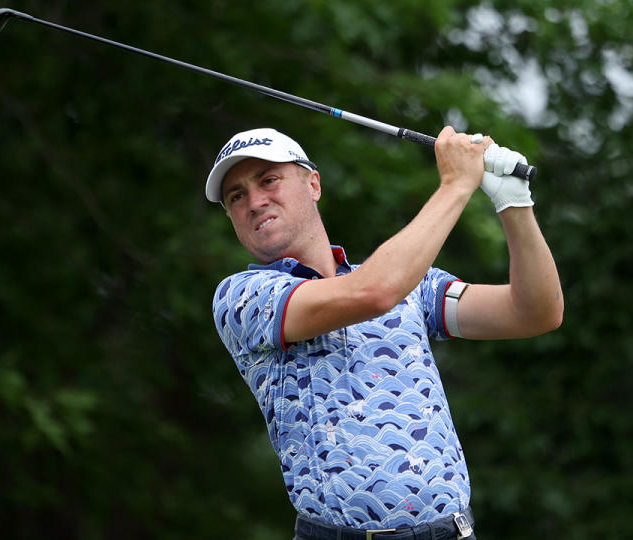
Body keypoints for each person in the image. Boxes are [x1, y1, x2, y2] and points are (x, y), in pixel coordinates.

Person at [207, 127, 563, 540]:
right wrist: (456, 185)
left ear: (312, 183)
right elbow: (374, 293)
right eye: (236, 196)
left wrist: (513, 203)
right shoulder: (244, 297)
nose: (254, 202)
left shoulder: (414, 285)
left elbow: (535, 312)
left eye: (269, 180)